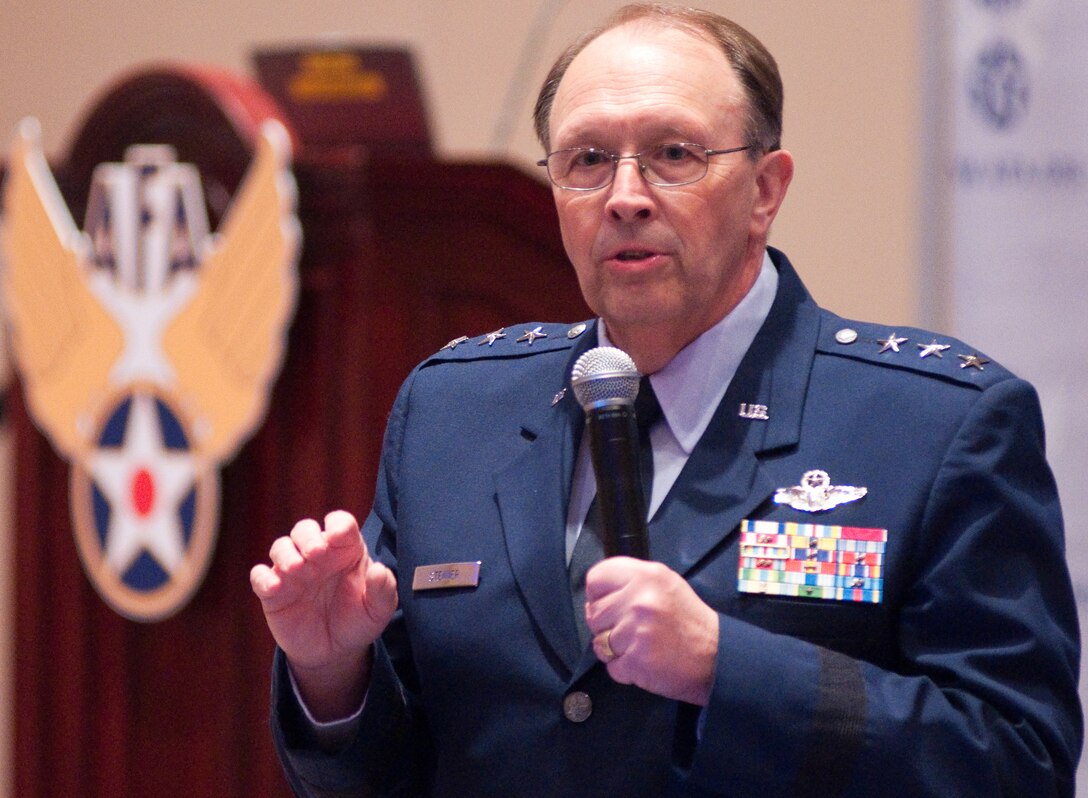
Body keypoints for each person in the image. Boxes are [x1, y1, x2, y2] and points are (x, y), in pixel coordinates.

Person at [249, 4, 1082, 796]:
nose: (625, 195)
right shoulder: (454, 412)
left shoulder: (934, 424)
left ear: (765, 189)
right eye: (585, 161)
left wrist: (729, 669)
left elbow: (1018, 761)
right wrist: (333, 679)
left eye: (675, 154)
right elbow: (389, 770)